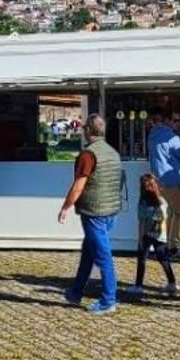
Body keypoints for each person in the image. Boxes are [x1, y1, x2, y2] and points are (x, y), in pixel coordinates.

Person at [58, 114, 123, 315]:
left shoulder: (88, 155)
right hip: (111, 209)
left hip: (95, 212)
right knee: (89, 250)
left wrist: (65, 207)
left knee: (103, 257)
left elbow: (79, 186)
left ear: (88, 131)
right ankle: (76, 292)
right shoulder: (113, 152)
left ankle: (108, 300)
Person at [147, 113, 180, 259]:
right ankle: (174, 248)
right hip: (172, 180)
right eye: (175, 120)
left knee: (168, 214)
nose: (177, 123)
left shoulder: (152, 135)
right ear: (166, 120)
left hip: (157, 181)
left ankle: (164, 246)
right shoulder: (171, 138)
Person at [130, 172, 177, 298]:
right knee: (162, 259)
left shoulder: (145, 202)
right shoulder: (163, 200)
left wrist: (140, 238)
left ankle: (139, 286)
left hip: (151, 234)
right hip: (160, 235)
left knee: (143, 258)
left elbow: (142, 222)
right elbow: (168, 218)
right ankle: (172, 283)